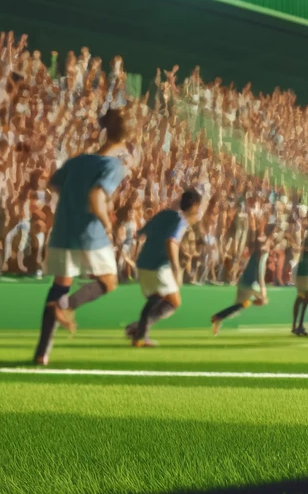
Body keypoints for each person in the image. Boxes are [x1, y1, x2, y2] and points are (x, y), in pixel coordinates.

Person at [32, 108, 133, 366]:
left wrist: (73, 197)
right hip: (89, 233)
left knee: (59, 286)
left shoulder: (77, 161)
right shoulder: (114, 166)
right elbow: (96, 197)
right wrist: (107, 222)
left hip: (63, 230)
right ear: (126, 138)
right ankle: (67, 307)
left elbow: (53, 184)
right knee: (109, 281)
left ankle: (42, 353)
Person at [128, 188, 206, 347]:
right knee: (170, 301)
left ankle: (139, 330)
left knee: (160, 298)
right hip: (159, 266)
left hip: (144, 262)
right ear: (194, 206)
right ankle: (140, 331)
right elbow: (171, 242)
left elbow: (141, 233)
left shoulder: (163, 214)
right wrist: (176, 269)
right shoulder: (181, 221)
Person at [211, 225, 269, 335]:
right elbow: (261, 273)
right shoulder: (263, 254)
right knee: (257, 301)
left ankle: (218, 317)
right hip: (250, 285)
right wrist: (263, 294)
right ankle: (218, 317)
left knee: (240, 305)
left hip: (243, 283)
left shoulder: (255, 253)